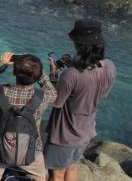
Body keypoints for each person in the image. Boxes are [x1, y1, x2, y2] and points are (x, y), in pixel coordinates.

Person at [44, 20, 116, 181]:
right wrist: (73, 65)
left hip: (64, 134)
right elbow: (99, 90)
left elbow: (55, 101)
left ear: (79, 45)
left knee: (56, 174)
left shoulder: (71, 74)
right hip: (86, 130)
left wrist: (54, 74)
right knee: (72, 167)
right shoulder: (110, 66)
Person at [0, 52, 57, 181]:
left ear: (14, 73)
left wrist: (0, 65)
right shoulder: (43, 97)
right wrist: (39, 71)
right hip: (31, 149)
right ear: (36, 76)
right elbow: (52, 91)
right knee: (40, 176)